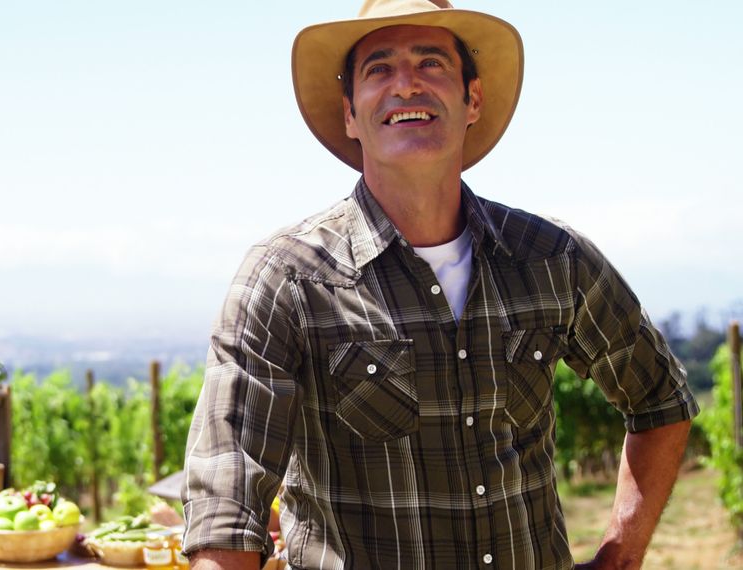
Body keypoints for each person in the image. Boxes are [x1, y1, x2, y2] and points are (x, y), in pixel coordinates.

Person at [180, 1, 699, 569]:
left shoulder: (553, 259)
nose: (407, 84)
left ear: (471, 100)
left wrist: (619, 558)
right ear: (350, 114)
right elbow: (226, 510)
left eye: (431, 63)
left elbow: (659, 399)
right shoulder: (286, 280)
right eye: (379, 68)